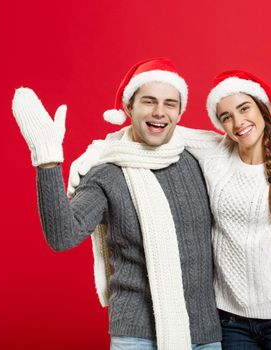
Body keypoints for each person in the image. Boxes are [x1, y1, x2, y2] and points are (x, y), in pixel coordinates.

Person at [69, 69, 271, 349]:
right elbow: (149, 128)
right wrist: (94, 154)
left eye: (244, 109)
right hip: (228, 321)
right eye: (225, 116)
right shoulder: (212, 150)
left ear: (263, 110)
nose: (238, 122)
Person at [11, 58, 224, 350]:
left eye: (169, 104)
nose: (159, 112)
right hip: (136, 336)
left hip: (205, 334)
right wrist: (47, 159)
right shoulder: (106, 173)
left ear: (179, 111)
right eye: (148, 102)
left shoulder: (197, 161)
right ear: (128, 107)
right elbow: (63, 236)